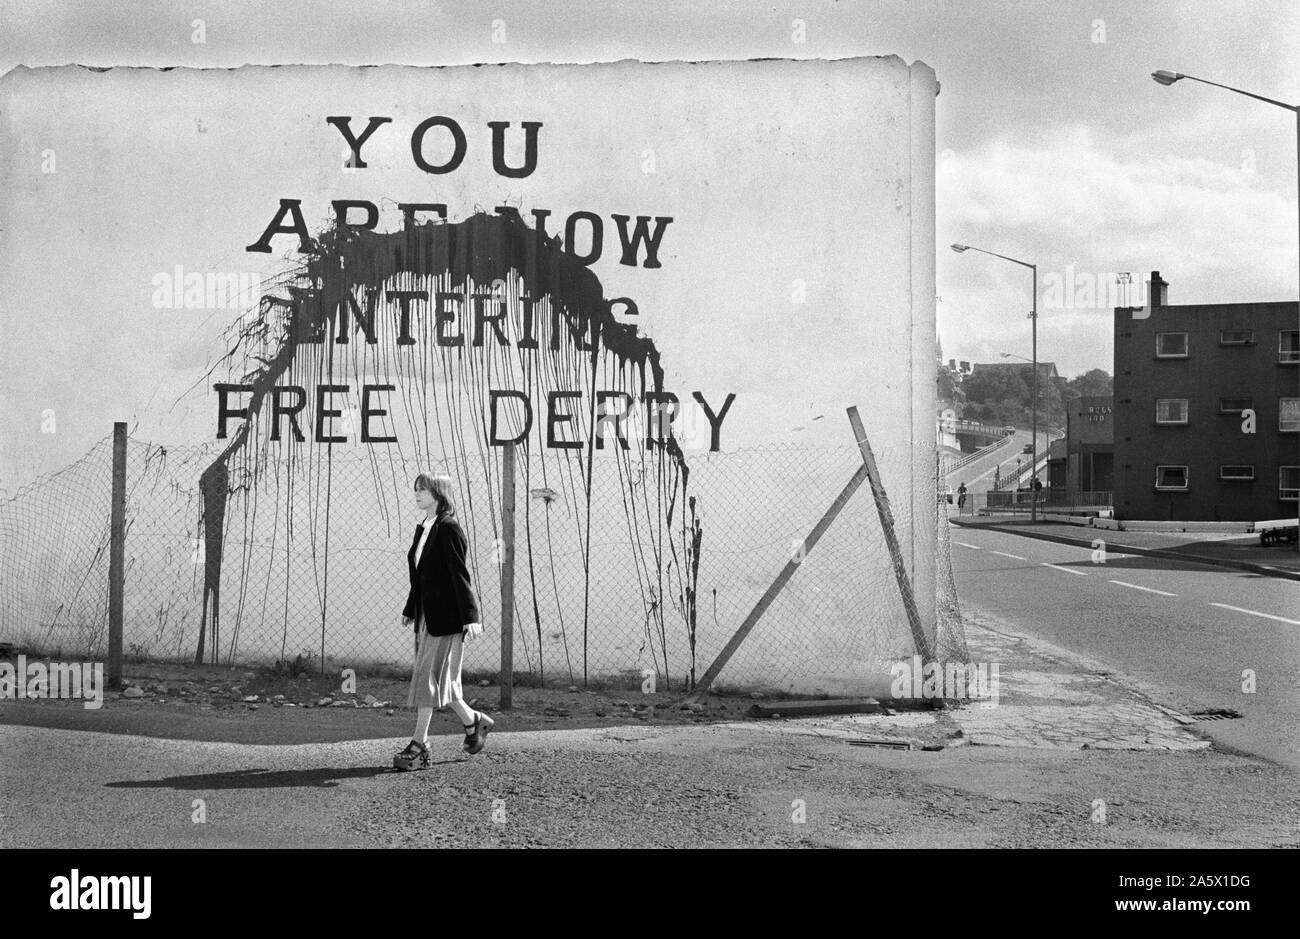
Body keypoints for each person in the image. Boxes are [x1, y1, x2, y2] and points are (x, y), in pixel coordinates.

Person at [392, 472, 494, 771]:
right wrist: (411, 608)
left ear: (439, 493)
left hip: (448, 619)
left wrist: (471, 617)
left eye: (423, 489)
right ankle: (474, 722)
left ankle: (420, 744)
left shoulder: (449, 529)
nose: (417, 493)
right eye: (416, 489)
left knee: (428, 679)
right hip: (428, 616)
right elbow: (420, 577)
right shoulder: (425, 527)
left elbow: (459, 575)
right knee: (441, 683)